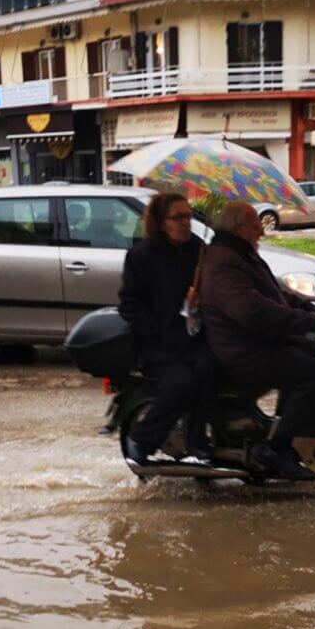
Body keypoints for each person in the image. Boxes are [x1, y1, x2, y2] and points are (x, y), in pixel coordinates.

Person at [199, 201, 315, 481]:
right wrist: (308, 322)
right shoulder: (224, 261)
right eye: (255, 226)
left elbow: (273, 293)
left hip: (255, 341)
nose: (261, 231)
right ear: (239, 229)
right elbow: (253, 310)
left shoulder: (241, 254)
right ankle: (278, 450)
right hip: (242, 350)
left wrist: (311, 305)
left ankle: (286, 430)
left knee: (310, 350)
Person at [118, 193, 212, 466]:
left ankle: (198, 438)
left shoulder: (199, 249)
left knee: (212, 368)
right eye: (177, 218)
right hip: (160, 345)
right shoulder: (141, 256)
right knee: (182, 384)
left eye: (188, 216)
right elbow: (129, 305)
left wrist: (201, 300)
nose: (185, 223)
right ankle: (143, 441)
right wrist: (160, 328)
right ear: (161, 223)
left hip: (195, 337)